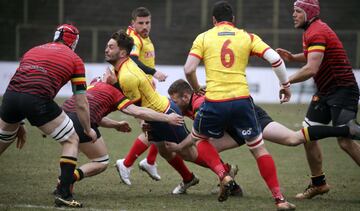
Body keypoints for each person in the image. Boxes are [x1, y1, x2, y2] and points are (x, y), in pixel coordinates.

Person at [183, 1, 296, 210]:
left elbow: (189, 68)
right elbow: (276, 59)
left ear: (213, 20)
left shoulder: (204, 37)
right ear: (233, 20)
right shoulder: (247, 37)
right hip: (243, 101)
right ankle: (279, 199)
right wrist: (285, 85)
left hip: (215, 101)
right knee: (258, 148)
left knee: (199, 139)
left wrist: (197, 87)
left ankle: (222, 175)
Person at [105, 30, 238, 201]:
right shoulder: (124, 66)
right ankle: (189, 179)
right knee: (164, 150)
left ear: (122, 52)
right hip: (155, 115)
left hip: (164, 114)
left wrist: (114, 87)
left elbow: (134, 106)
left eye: (110, 47)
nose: (106, 50)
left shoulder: (127, 76)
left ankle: (225, 171)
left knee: (188, 152)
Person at [0, 24, 97, 208]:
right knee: (71, 140)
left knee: (3, 140)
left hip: (10, 98)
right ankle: (64, 194)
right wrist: (87, 129)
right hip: (37, 100)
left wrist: (19, 122)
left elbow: (20, 82)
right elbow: (81, 103)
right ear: (74, 41)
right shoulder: (75, 59)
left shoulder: (33, 50)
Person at [276, 0, 360, 199]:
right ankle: (319, 183)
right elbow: (313, 56)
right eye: (293, 11)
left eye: (297, 11)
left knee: (345, 142)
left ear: (309, 12)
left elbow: (312, 68)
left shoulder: (317, 31)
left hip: (343, 90)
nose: (293, 15)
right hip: (325, 92)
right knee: (307, 135)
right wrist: (293, 58)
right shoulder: (312, 30)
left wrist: (286, 81)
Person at [52, 70, 184, 193]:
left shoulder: (95, 84)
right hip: (79, 120)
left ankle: (64, 182)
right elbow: (138, 111)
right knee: (101, 161)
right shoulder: (116, 93)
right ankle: (67, 180)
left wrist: (116, 124)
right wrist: (167, 118)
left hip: (60, 117)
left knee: (72, 149)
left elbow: (95, 116)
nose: (107, 73)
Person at [167, 79, 360, 152]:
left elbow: (196, 134)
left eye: (175, 100)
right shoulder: (185, 104)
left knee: (293, 139)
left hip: (251, 117)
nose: (173, 103)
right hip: (234, 127)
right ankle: (227, 179)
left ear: (185, 95)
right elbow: (166, 112)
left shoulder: (201, 104)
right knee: (205, 150)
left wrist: (178, 146)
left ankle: (344, 129)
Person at [118, 7, 168, 184]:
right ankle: (127, 163)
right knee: (156, 125)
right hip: (137, 89)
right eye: (141, 23)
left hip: (146, 88)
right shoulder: (134, 39)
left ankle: (149, 161)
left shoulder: (144, 36)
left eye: (148, 22)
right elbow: (133, 60)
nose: (145, 26)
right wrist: (154, 73)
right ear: (133, 23)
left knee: (159, 125)